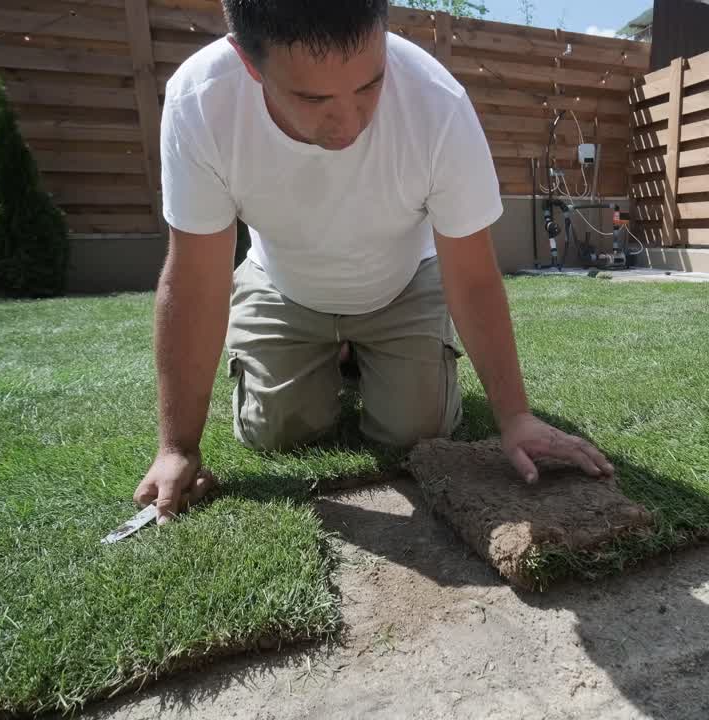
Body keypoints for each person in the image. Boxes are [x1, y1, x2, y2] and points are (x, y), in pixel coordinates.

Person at [133, 0, 613, 522]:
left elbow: (473, 277)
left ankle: (358, 353)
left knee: (418, 432)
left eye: (370, 84)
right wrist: (177, 447)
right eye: (313, 97)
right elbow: (195, 280)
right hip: (282, 284)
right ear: (249, 63)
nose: (349, 122)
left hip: (402, 283)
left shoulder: (438, 103)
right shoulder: (201, 101)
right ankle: (340, 354)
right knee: (277, 434)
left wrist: (515, 416)